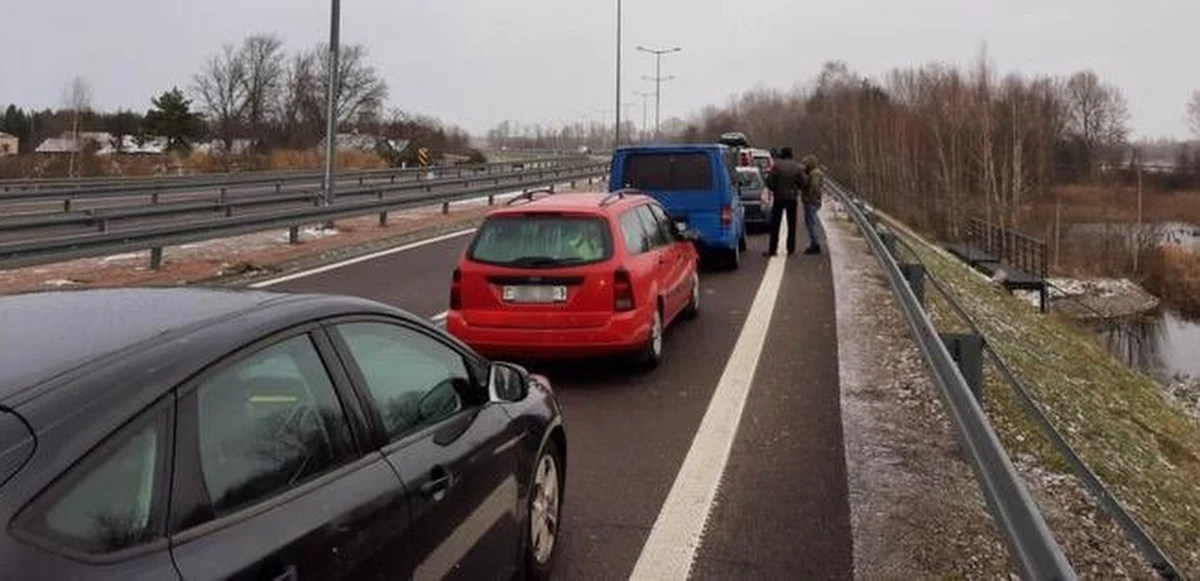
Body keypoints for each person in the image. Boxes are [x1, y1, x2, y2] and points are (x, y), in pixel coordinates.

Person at [763, 146, 805, 256]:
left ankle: (773, 249)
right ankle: (790, 249)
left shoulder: (776, 166)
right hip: (792, 198)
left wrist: (775, 189)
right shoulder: (797, 167)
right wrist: (796, 189)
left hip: (779, 198)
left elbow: (770, 182)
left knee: (775, 224)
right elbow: (802, 183)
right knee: (792, 225)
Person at [800, 155, 826, 254]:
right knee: (810, 222)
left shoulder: (814, 174)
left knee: (811, 223)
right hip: (813, 201)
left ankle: (815, 244)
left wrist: (809, 196)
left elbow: (814, 186)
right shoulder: (814, 172)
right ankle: (814, 242)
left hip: (811, 201)